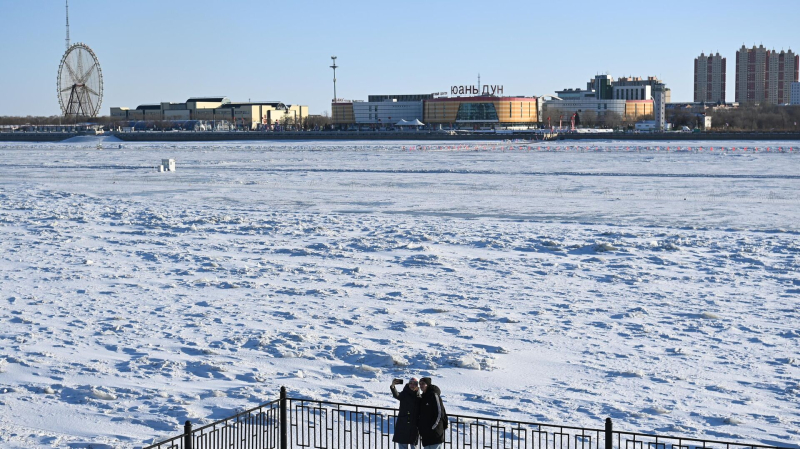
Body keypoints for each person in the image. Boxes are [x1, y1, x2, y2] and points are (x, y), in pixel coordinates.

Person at [417, 377, 447, 449]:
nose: (421, 385)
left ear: (428, 384)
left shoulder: (433, 395)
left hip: (435, 433)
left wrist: (433, 426)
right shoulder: (423, 397)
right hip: (426, 433)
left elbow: (439, 412)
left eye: (423, 384)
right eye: (420, 384)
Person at [391, 378, 421, 449]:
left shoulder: (419, 396)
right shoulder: (404, 393)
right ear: (408, 384)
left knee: (414, 446)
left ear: (417, 385)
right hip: (403, 424)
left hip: (414, 426)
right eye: (411, 383)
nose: (412, 385)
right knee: (402, 445)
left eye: (415, 384)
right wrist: (393, 386)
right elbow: (397, 395)